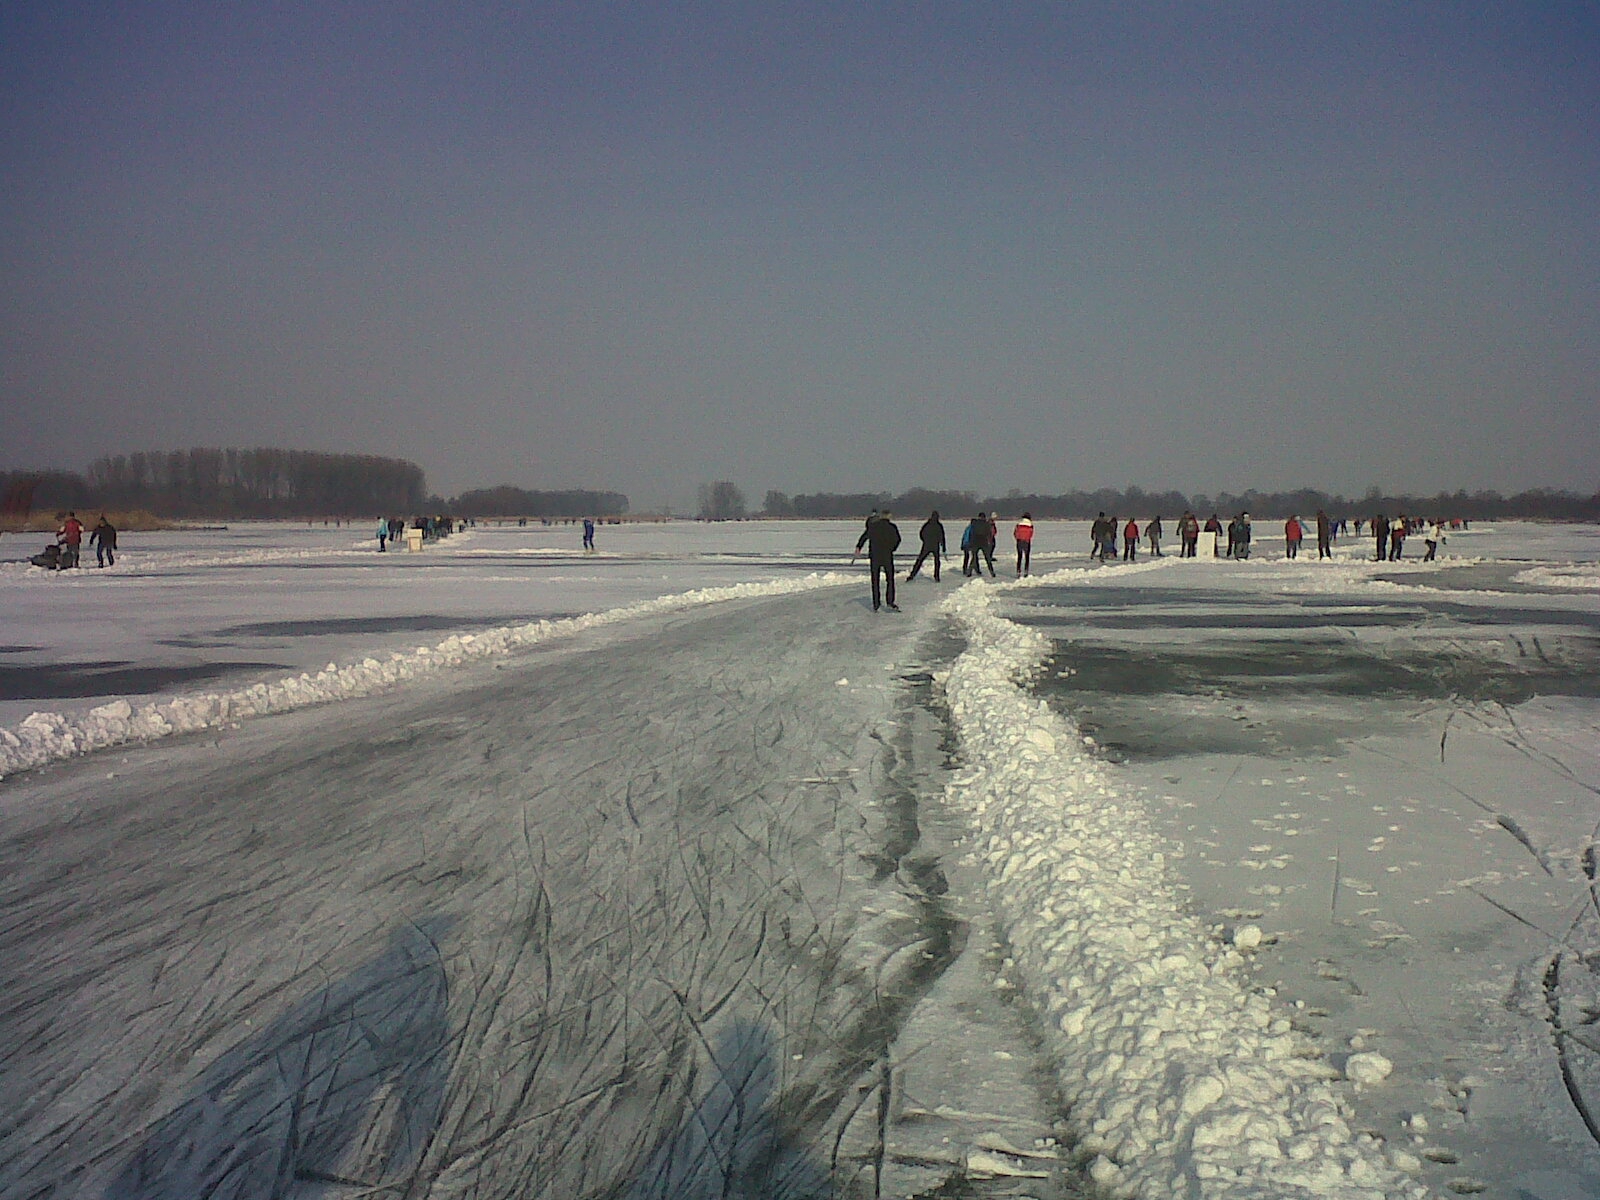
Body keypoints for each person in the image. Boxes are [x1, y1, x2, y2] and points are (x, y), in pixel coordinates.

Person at [854, 509, 902, 611]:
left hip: (875, 555)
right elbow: (898, 539)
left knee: (875, 580)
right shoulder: (892, 527)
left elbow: (864, 537)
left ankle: (876, 603)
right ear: (889, 516)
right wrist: (892, 548)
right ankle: (890, 601)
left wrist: (858, 547)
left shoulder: (873, 526)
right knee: (890, 579)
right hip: (887, 555)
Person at [906, 510, 946, 582]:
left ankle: (912, 575)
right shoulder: (939, 525)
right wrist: (943, 546)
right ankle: (936, 576)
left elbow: (921, 533)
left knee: (920, 560)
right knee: (936, 561)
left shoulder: (927, 524)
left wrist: (925, 540)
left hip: (927, 545)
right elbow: (942, 536)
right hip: (934, 545)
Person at [968, 512, 996, 576]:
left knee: (974, 558)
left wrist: (970, 542)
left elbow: (971, 533)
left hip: (975, 542)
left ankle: (969, 571)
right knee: (987, 558)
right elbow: (989, 533)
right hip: (984, 542)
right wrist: (990, 542)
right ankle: (992, 572)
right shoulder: (986, 524)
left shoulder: (974, 524)